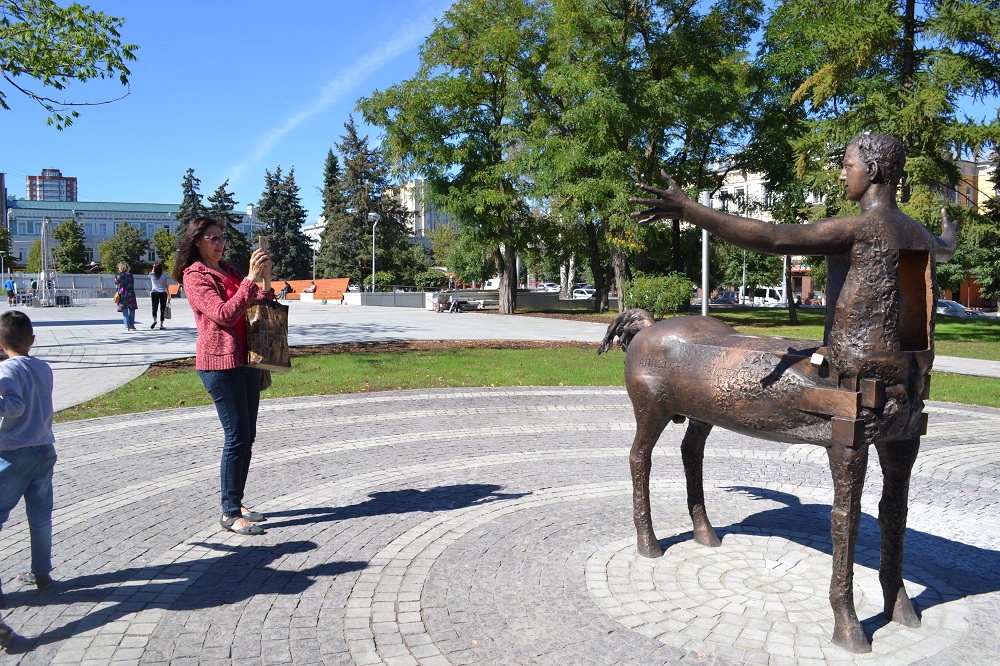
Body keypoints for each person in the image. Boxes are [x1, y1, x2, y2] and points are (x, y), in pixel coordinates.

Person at [172, 216, 273, 536]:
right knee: (237, 437)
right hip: (219, 364)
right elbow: (225, 315)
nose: (219, 243)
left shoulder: (228, 269)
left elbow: (259, 309)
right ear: (197, 241)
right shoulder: (194, 276)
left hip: (246, 360)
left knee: (248, 435)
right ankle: (230, 512)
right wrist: (250, 278)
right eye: (212, 238)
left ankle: (237, 500)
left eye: (222, 237)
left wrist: (266, 281)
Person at [0, 311, 57, 645]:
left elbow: (15, 406)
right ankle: (42, 573)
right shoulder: (43, 367)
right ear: (31, 340)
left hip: (14, 453)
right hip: (44, 449)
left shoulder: (6, 369)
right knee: (40, 517)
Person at [114, 262, 138, 331]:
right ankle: (132, 325)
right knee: (132, 310)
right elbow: (132, 284)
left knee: (124, 310)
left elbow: (116, 286)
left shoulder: (117, 275)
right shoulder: (130, 275)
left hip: (122, 294)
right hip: (131, 293)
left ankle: (126, 326)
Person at [149, 262, 170, 329]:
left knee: (154, 308)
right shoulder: (164, 275)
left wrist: (154, 267)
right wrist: (169, 294)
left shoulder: (152, 275)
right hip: (163, 293)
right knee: (162, 309)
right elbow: (165, 285)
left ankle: (155, 320)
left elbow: (152, 272)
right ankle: (161, 324)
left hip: (154, 292)